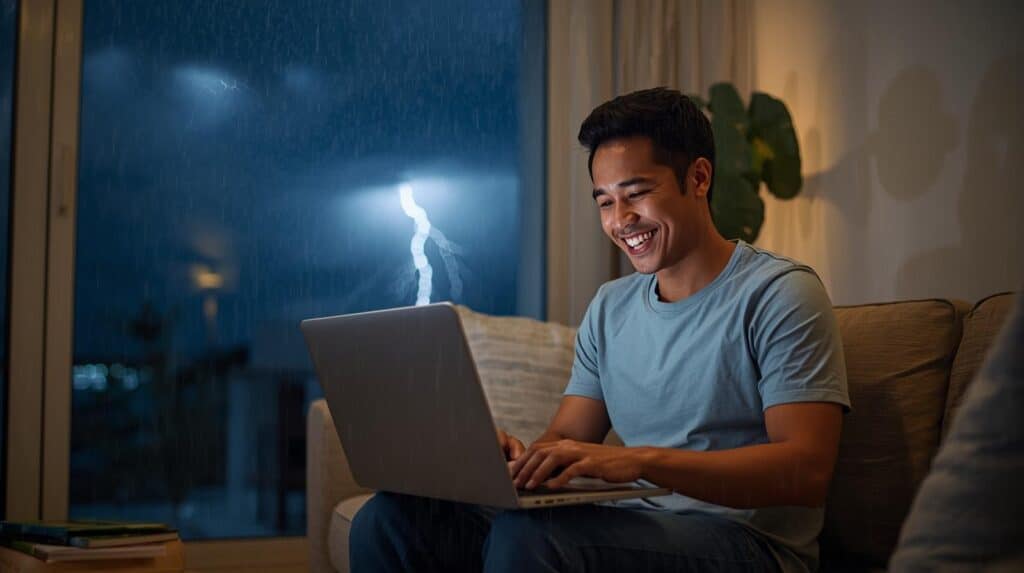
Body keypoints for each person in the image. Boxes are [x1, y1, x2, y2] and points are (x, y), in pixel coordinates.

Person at [350, 87, 850, 573]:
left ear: (698, 178)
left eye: (637, 194)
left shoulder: (779, 293)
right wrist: (498, 461)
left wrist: (639, 462)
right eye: (605, 202)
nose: (621, 221)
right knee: (390, 522)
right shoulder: (611, 306)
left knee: (532, 539)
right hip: (629, 527)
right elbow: (568, 436)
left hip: (746, 543)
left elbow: (806, 471)